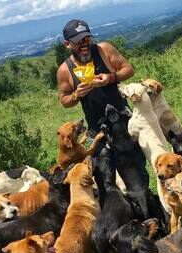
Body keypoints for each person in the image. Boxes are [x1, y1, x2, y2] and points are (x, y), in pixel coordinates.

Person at [56, 19, 135, 204]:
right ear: (67, 44)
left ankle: (142, 205)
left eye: (86, 39)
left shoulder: (104, 50)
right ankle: (115, 209)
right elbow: (64, 100)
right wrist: (76, 95)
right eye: (79, 41)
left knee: (133, 167)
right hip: (95, 129)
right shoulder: (64, 70)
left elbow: (129, 69)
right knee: (101, 174)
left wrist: (111, 77)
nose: (84, 44)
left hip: (122, 119)